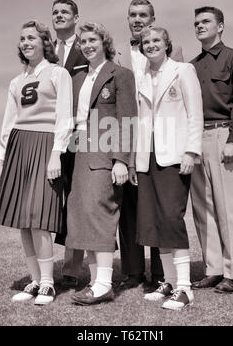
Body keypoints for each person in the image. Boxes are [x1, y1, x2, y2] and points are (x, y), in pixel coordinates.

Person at [0, 20, 73, 305]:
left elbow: (65, 117)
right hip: (19, 146)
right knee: (23, 220)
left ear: (45, 42)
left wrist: (56, 153)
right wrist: (1, 160)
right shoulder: (16, 81)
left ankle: (49, 283)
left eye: (31, 38)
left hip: (44, 144)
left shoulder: (57, 73)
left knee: (39, 217)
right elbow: (8, 122)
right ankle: (35, 280)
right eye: (22, 39)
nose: (25, 42)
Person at [65, 22, 137, 305]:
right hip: (80, 151)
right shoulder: (78, 78)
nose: (87, 45)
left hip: (106, 153)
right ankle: (97, 282)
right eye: (83, 41)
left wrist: (121, 160)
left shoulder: (121, 74)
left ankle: (105, 283)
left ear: (104, 42)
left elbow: (128, 120)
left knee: (101, 216)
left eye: (92, 39)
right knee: (84, 218)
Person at [133, 26, 203, 310]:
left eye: (156, 41)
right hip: (146, 157)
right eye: (146, 42)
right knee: (155, 221)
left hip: (174, 155)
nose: (150, 45)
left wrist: (191, 150)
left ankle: (185, 288)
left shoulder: (183, 70)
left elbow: (195, 112)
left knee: (172, 218)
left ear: (167, 44)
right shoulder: (141, 77)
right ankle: (170, 282)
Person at [117, 0, 184, 290]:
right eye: (132, 14)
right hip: (125, 132)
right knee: (130, 207)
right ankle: (133, 272)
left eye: (143, 14)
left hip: (160, 136)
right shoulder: (117, 54)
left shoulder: (174, 51)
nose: (137, 19)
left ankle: (162, 274)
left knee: (158, 206)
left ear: (153, 18)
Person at [190, 6, 233, 293]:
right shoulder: (192, 66)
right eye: (197, 23)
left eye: (206, 22)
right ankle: (214, 269)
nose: (200, 26)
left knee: (230, 209)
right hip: (197, 139)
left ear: (221, 26)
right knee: (204, 209)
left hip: (225, 135)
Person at [52, 0, 88, 288]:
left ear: (77, 17)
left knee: (77, 199)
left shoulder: (87, 47)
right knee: (53, 198)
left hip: (79, 134)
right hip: (49, 135)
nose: (59, 15)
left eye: (64, 12)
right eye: (55, 12)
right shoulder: (45, 50)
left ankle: (73, 268)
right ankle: (42, 263)